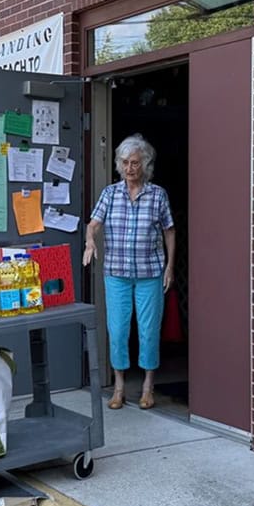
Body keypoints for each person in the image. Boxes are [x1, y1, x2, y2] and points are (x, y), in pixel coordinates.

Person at [82, 134, 176, 411]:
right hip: (117, 274)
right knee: (118, 330)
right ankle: (119, 387)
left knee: (149, 330)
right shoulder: (110, 194)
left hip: (150, 273)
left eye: (134, 163)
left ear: (144, 164)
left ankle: (148, 386)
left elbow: (169, 231)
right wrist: (90, 241)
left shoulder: (157, 195)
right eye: (124, 162)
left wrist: (170, 266)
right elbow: (93, 224)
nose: (129, 168)